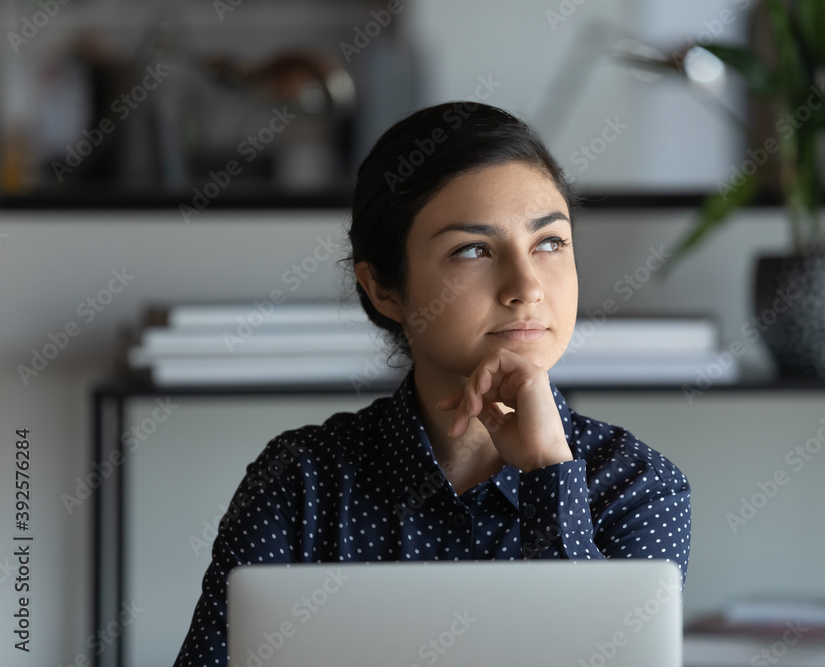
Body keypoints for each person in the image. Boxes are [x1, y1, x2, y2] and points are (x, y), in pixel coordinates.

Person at [172, 101, 691, 667]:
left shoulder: (637, 486)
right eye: (472, 249)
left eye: (549, 243)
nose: (526, 287)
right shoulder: (300, 482)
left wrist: (548, 470)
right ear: (383, 289)